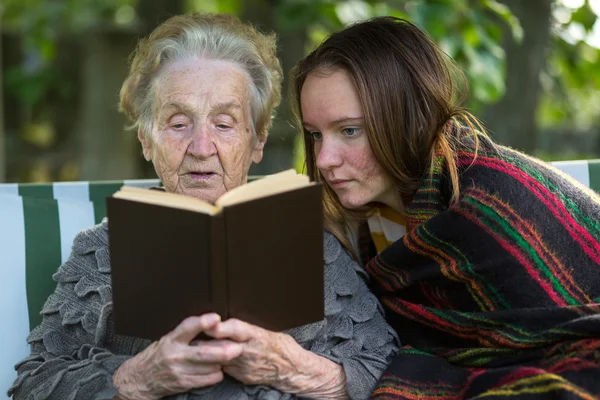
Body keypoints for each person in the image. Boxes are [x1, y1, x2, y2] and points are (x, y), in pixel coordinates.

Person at [9, 14, 399, 400]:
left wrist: (294, 368)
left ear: (257, 141)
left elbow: (388, 370)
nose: (200, 147)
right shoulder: (100, 253)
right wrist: (140, 377)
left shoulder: (316, 246)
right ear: (147, 140)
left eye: (224, 124)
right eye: (178, 124)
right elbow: (35, 384)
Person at [292, 16, 600, 399]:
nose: (323, 159)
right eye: (315, 135)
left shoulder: (487, 204)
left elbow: (571, 340)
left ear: (404, 118)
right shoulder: (360, 217)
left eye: (349, 131)